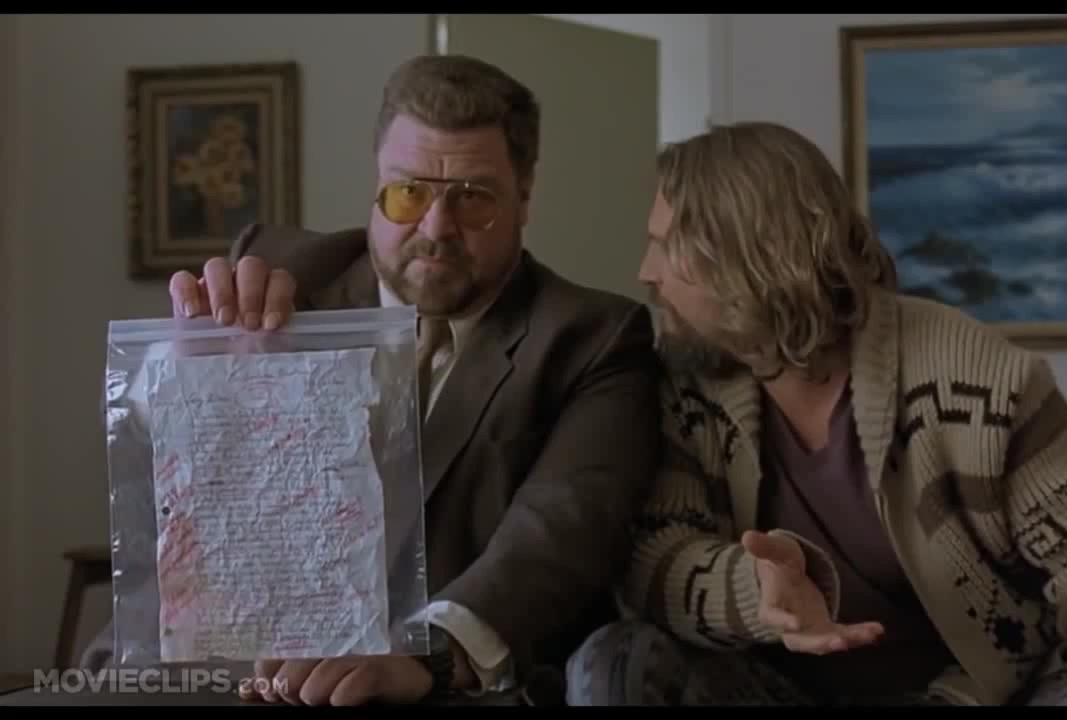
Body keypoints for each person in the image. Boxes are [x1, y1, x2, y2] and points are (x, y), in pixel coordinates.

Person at [564, 122, 1067, 706]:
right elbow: (653, 556)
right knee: (618, 659)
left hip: (989, 694)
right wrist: (754, 590)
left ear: (751, 257)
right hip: (783, 692)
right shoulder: (684, 385)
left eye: (666, 245)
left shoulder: (972, 371)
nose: (645, 272)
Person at [76, 54, 661, 706]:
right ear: (377, 184)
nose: (436, 229)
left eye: (473, 198)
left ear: (524, 197)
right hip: (202, 668)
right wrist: (184, 367)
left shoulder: (590, 337)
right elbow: (145, 465)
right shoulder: (279, 275)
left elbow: (559, 532)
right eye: (409, 193)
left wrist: (425, 653)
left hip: (414, 688)